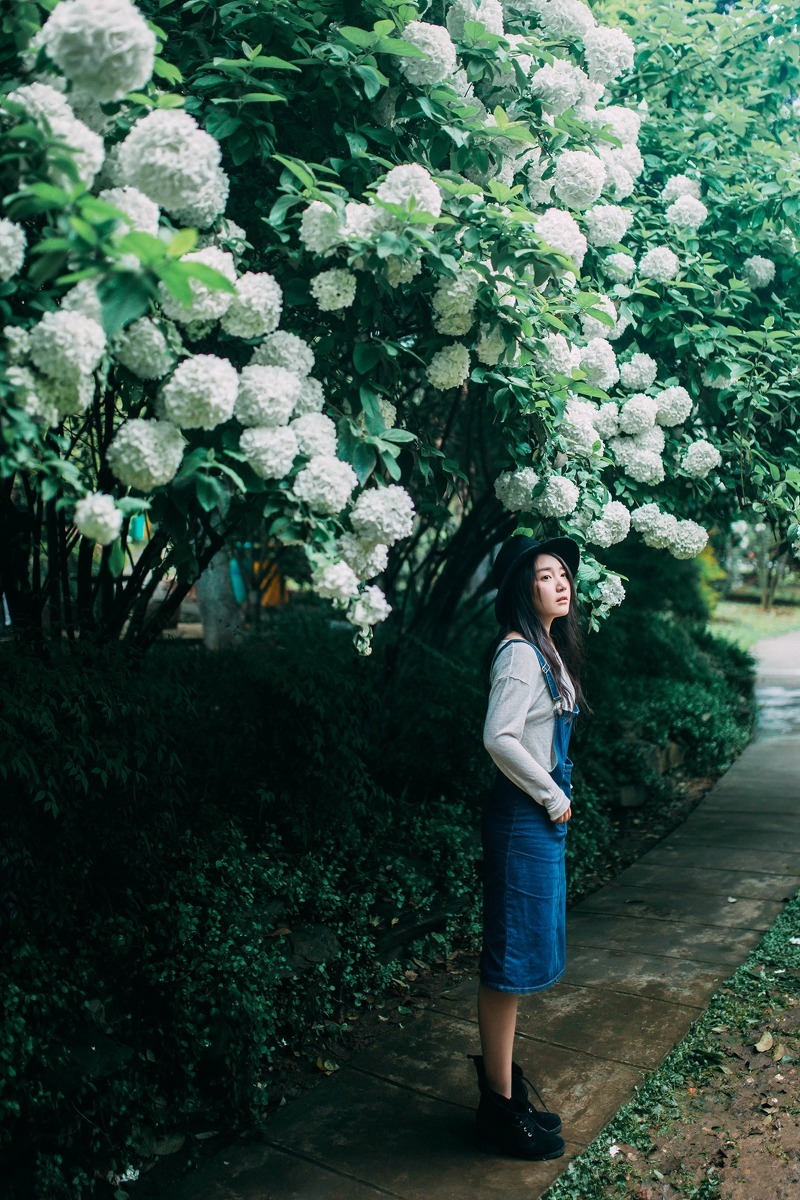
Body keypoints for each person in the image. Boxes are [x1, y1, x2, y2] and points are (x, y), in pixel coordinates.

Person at [468, 533, 588, 1160]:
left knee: (519, 960)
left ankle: (505, 1094)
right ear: (522, 587)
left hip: (538, 820)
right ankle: (496, 1109)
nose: (561, 582)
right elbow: (500, 737)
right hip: (522, 820)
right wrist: (549, 795)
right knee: (508, 963)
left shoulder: (548, 649)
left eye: (564, 573)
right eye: (545, 575)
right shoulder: (519, 653)